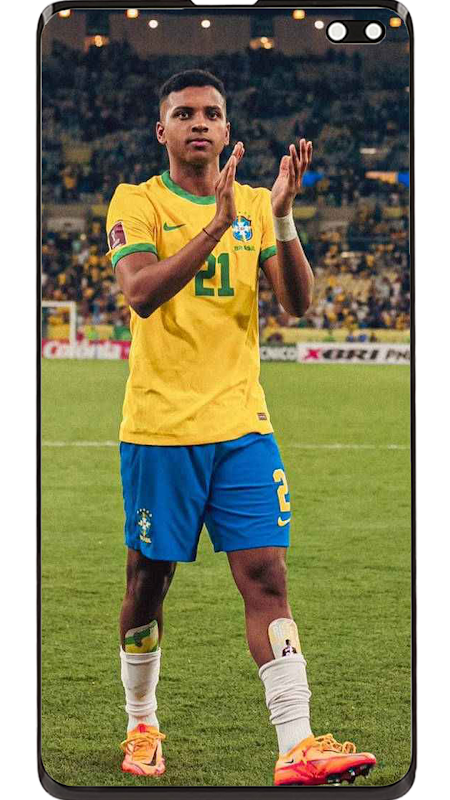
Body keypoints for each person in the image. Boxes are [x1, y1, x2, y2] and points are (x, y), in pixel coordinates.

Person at [105, 69, 376, 787]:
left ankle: (297, 742)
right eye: (184, 113)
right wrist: (216, 227)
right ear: (161, 130)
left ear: (227, 130)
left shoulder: (257, 202)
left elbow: (296, 303)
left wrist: (280, 217)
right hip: (161, 430)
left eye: (211, 113)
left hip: (243, 426)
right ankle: (141, 722)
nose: (199, 123)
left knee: (267, 577)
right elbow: (140, 293)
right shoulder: (137, 200)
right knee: (149, 581)